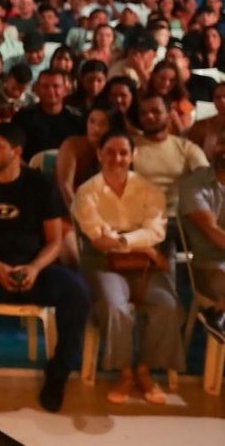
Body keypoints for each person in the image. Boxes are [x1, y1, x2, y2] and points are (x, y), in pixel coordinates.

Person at [0, 123, 89, 412]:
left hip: (35, 269)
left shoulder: (41, 184)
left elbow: (55, 241)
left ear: (16, 151)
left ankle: (58, 373)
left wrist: (35, 268)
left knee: (77, 292)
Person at [72, 130, 184, 405]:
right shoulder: (87, 191)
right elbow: (98, 239)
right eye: (110, 152)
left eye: (123, 152)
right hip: (102, 261)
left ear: (132, 156)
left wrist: (122, 240)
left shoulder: (149, 190)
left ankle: (144, 369)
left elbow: (155, 232)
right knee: (115, 307)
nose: (117, 158)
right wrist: (142, 245)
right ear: (99, 155)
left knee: (166, 305)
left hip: (144, 264)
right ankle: (124, 372)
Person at [177, 126, 225, 340]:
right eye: (222, 143)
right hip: (208, 266)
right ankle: (218, 313)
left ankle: (218, 313)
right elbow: (212, 232)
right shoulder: (193, 184)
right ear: (212, 147)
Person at [11, 69, 84, 161]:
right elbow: (14, 150)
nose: (50, 91)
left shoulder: (77, 118)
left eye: (56, 86)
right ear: (37, 89)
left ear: (65, 90)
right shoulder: (22, 117)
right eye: (45, 86)